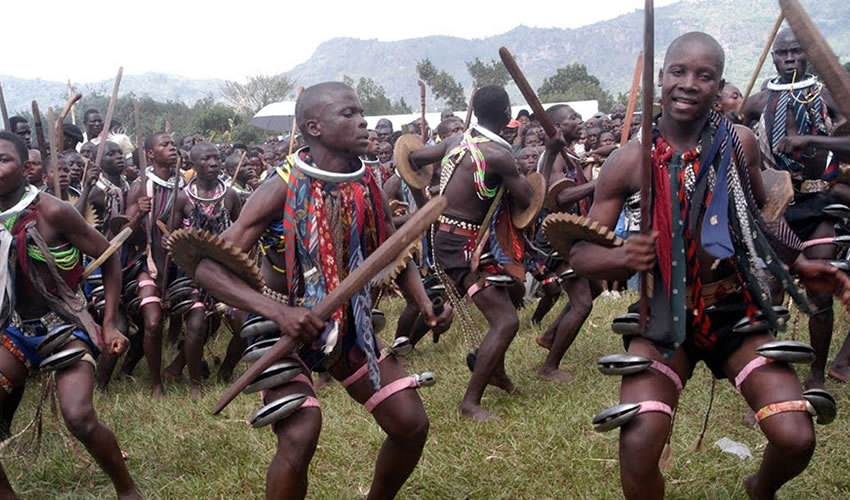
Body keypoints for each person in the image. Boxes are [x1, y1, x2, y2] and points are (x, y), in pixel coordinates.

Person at [570, 32, 850, 500]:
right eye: (679, 71)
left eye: (705, 75)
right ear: (661, 78)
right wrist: (621, 256)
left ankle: (759, 488)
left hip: (734, 311)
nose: (689, 83)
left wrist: (800, 260)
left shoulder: (740, 143)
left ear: (719, 86)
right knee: (637, 449)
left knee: (796, 437)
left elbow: (758, 218)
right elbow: (578, 253)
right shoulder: (627, 161)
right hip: (662, 316)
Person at [193, 82, 450, 499]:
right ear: (314, 127)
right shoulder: (282, 185)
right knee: (300, 433)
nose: (363, 121)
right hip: (277, 325)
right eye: (348, 113)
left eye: (361, 112)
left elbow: (389, 250)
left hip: (344, 323)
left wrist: (424, 303)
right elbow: (207, 266)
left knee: (410, 424)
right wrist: (280, 313)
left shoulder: (367, 181)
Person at [0, 131, 140, 499]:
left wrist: (109, 321)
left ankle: (127, 490)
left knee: (78, 417)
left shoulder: (52, 211)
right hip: (12, 330)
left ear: (26, 167)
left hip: (64, 325)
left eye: (4, 160)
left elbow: (109, 259)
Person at [408, 85, 559, 420]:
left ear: (475, 113)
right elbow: (530, 202)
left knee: (509, 291)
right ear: (507, 117)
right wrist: (550, 153)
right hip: (462, 245)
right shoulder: (498, 156)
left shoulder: (452, 142)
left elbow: (414, 158)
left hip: (452, 238)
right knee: (505, 321)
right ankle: (469, 402)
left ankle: (496, 372)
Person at [742, 27, 850, 389]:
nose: (789, 59)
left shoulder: (826, 96)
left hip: (818, 204)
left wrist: (811, 138)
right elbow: (737, 139)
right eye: (782, 53)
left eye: (796, 52)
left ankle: (816, 376)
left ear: (808, 55)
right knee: (771, 291)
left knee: (819, 292)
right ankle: (773, 377)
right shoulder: (758, 102)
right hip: (776, 206)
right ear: (772, 57)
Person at [163, 142, 242, 399]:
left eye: (216, 159)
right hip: (192, 275)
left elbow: (244, 231)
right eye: (206, 159)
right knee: (197, 326)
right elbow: (170, 235)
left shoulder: (230, 195)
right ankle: (195, 383)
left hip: (226, 273)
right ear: (193, 165)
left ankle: (226, 371)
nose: (213, 163)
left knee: (245, 326)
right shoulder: (183, 197)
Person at [532, 104, 601, 381]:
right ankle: (549, 367)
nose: (579, 120)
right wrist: (601, 181)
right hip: (555, 238)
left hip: (569, 235)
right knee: (582, 303)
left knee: (594, 286)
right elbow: (558, 197)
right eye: (572, 118)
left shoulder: (566, 155)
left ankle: (550, 335)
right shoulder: (552, 159)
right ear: (557, 128)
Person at [124, 132, 181, 397]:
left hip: (177, 265)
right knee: (154, 323)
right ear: (150, 154)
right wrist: (138, 212)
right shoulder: (140, 186)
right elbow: (124, 233)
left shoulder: (183, 187)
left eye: (173, 144)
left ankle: (180, 367)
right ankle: (155, 382)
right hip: (146, 265)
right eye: (165, 145)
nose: (172, 148)